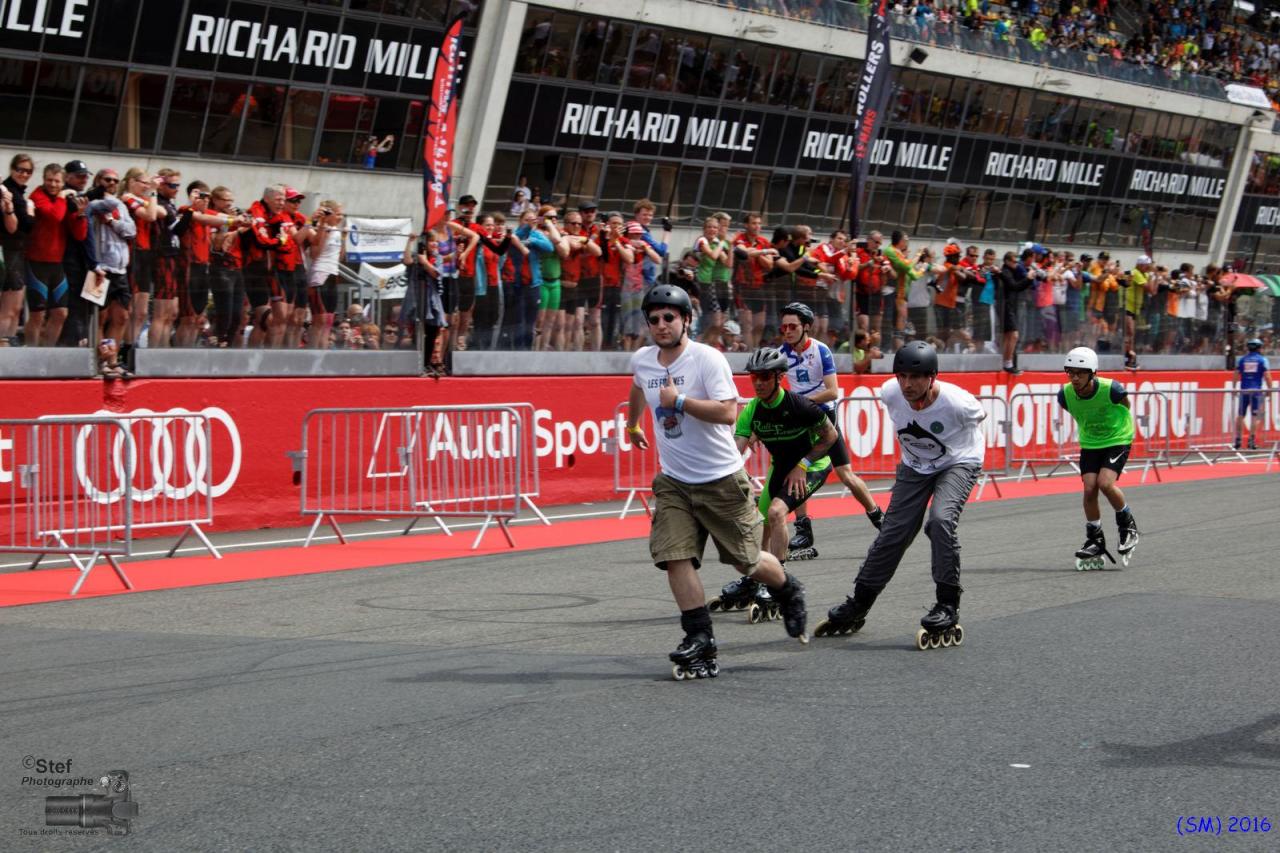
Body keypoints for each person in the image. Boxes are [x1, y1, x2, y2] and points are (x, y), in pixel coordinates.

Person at [625, 284, 808, 680]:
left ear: (686, 320)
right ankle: (699, 637)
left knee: (747, 560)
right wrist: (633, 422)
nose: (661, 325)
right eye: (654, 319)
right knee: (674, 556)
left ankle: (787, 588)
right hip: (674, 482)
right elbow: (640, 385)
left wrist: (679, 402)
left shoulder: (706, 359)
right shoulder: (643, 360)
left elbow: (728, 413)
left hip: (720, 480)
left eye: (669, 318)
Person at [814, 341, 985, 650]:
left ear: (932, 378)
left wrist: (956, 446)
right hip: (915, 465)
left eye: (916, 378)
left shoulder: (958, 403)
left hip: (959, 461)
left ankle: (947, 604)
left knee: (940, 521)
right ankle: (859, 603)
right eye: (902, 376)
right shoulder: (890, 392)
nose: (907, 384)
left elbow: (980, 417)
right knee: (893, 532)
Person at [777, 301, 883, 561]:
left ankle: (879, 518)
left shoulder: (820, 350)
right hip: (801, 419)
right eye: (784, 327)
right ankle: (804, 530)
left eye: (793, 326)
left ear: (806, 328)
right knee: (795, 470)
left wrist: (802, 403)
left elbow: (833, 391)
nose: (787, 331)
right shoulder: (782, 352)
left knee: (845, 474)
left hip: (824, 417)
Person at [731, 346, 837, 576]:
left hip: (810, 466)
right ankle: (760, 576)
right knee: (762, 523)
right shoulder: (752, 410)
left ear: (780, 377)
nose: (758, 383)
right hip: (780, 466)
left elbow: (831, 436)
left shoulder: (799, 405)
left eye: (765, 377)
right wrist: (738, 476)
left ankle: (780, 580)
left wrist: (803, 464)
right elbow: (733, 452)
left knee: (777, 513)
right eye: (754, 377)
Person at [1057, 347, 1140, 570]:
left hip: (1117, 438)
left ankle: (1127, 525)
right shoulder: (1064, 395)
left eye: (1080, 373)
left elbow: (1125, 406)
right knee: (1089, 488)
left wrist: (1115, 425)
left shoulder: (1111, 389)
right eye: (1071, 372)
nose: (1074, 378)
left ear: (1093, 373)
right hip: (1091, 442)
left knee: (1105, 483)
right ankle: (1095, 538)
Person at [1235, 337, 1271, 451]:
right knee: (1256, 416)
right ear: (1259, 348)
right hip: (1256, 391)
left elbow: (1236, 374)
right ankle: (1251, 440)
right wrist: (1270, 389)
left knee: (1241, 415)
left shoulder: (1242, 360)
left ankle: (1238, 440)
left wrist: (1233, 387)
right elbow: (1267, 376)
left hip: (1244, 390)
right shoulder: (1262, 360)